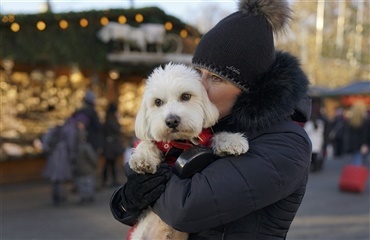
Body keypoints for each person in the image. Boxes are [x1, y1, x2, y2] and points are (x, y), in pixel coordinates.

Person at [110, 0, 312, 239]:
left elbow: (185, 209)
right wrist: (126, 200)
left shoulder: (287, 144)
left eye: (216, 78)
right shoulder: (210, 124)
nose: (201, 86)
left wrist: (145, 175)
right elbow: (134, 210)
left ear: (251, 87)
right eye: (199, 73)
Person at [74, 116, 99, 204]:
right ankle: (89, 197)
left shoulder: (75, 148)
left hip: (80, 169)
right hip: (88, 169)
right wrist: (95, 164)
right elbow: (92, 157)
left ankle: (83, 197)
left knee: (81, 184)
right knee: (88, 183)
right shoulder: (86, 147)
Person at [102, 103, 124, 187]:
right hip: (111, 145)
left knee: (110, 163)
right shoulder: (111, 120)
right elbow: (117, 129)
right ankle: (109, 180)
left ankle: (108, 180)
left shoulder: (108, 119)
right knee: (110, 163)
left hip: (109, 145)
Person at [343, 101, 369, 166]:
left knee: (355, 161)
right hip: (361, 144)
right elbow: (365, 134)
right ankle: (356, 176)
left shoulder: (350, 120)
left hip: (352, 144)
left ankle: (354, 175)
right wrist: (365, 144)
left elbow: (348, 133)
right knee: (359, 163)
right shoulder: (364, 121)